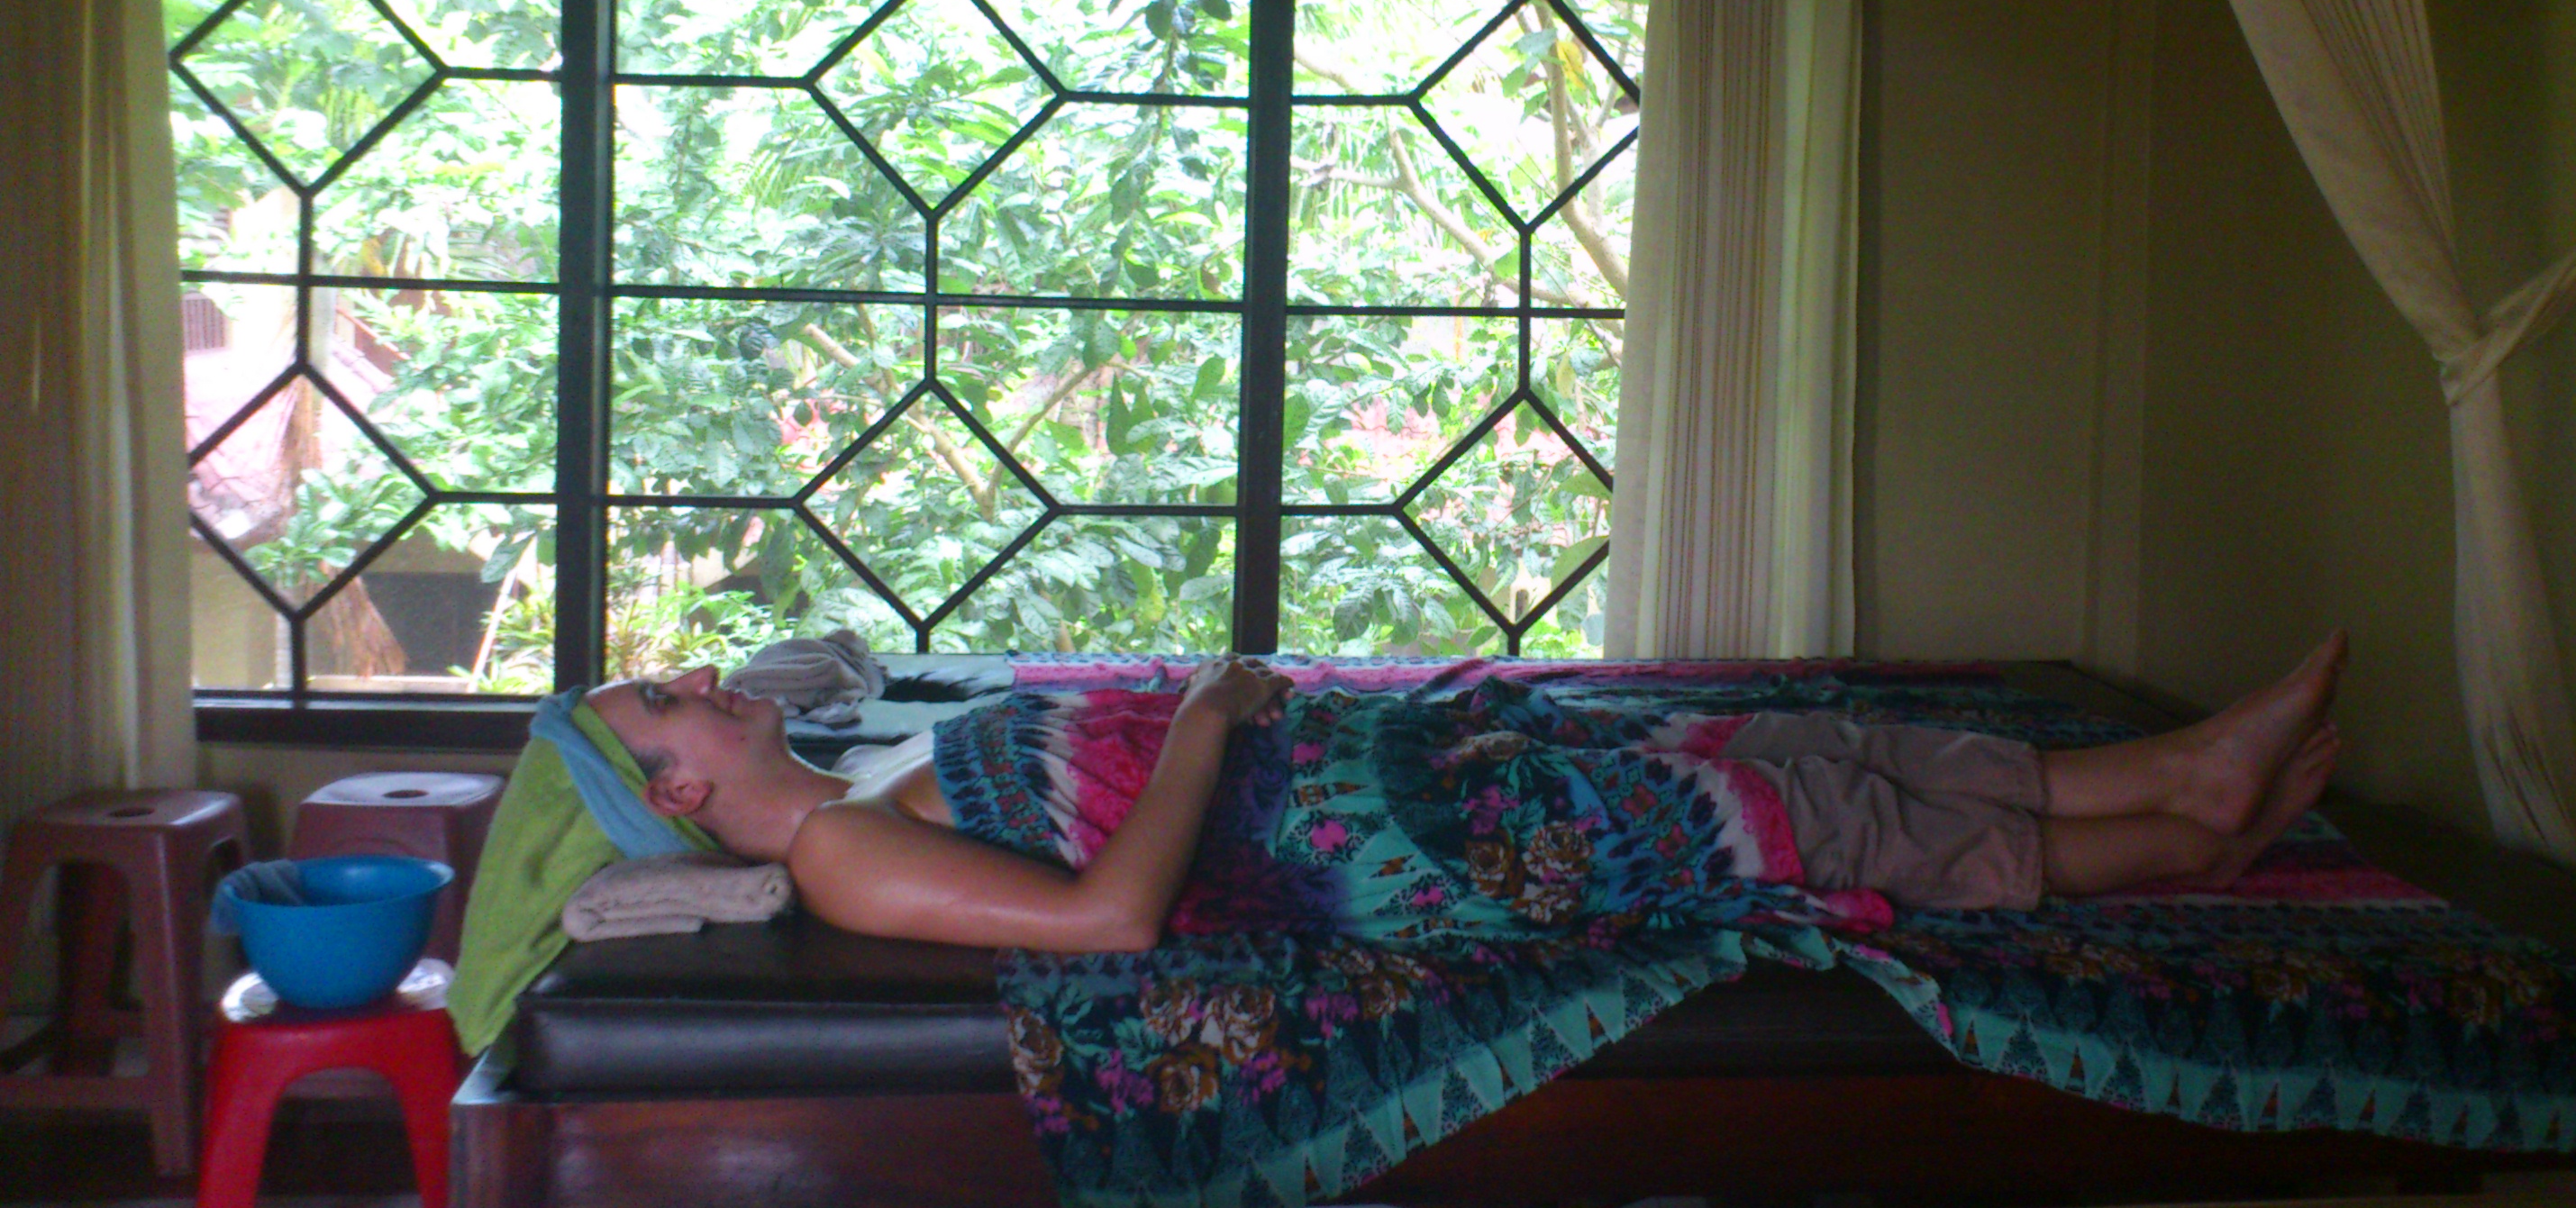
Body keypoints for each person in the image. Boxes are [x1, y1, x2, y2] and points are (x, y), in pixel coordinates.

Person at [580, 636, 2346, 956]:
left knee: (1787, 747)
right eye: (669, 700)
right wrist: (1204, 714)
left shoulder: (853, 765)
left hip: (1406, 783)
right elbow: (1109, 922)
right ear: (675, 786)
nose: (703, 676)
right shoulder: (842, 856)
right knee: (1787, 823)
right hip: (1416, 860)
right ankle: (2183, 837)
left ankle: (2180, 776)